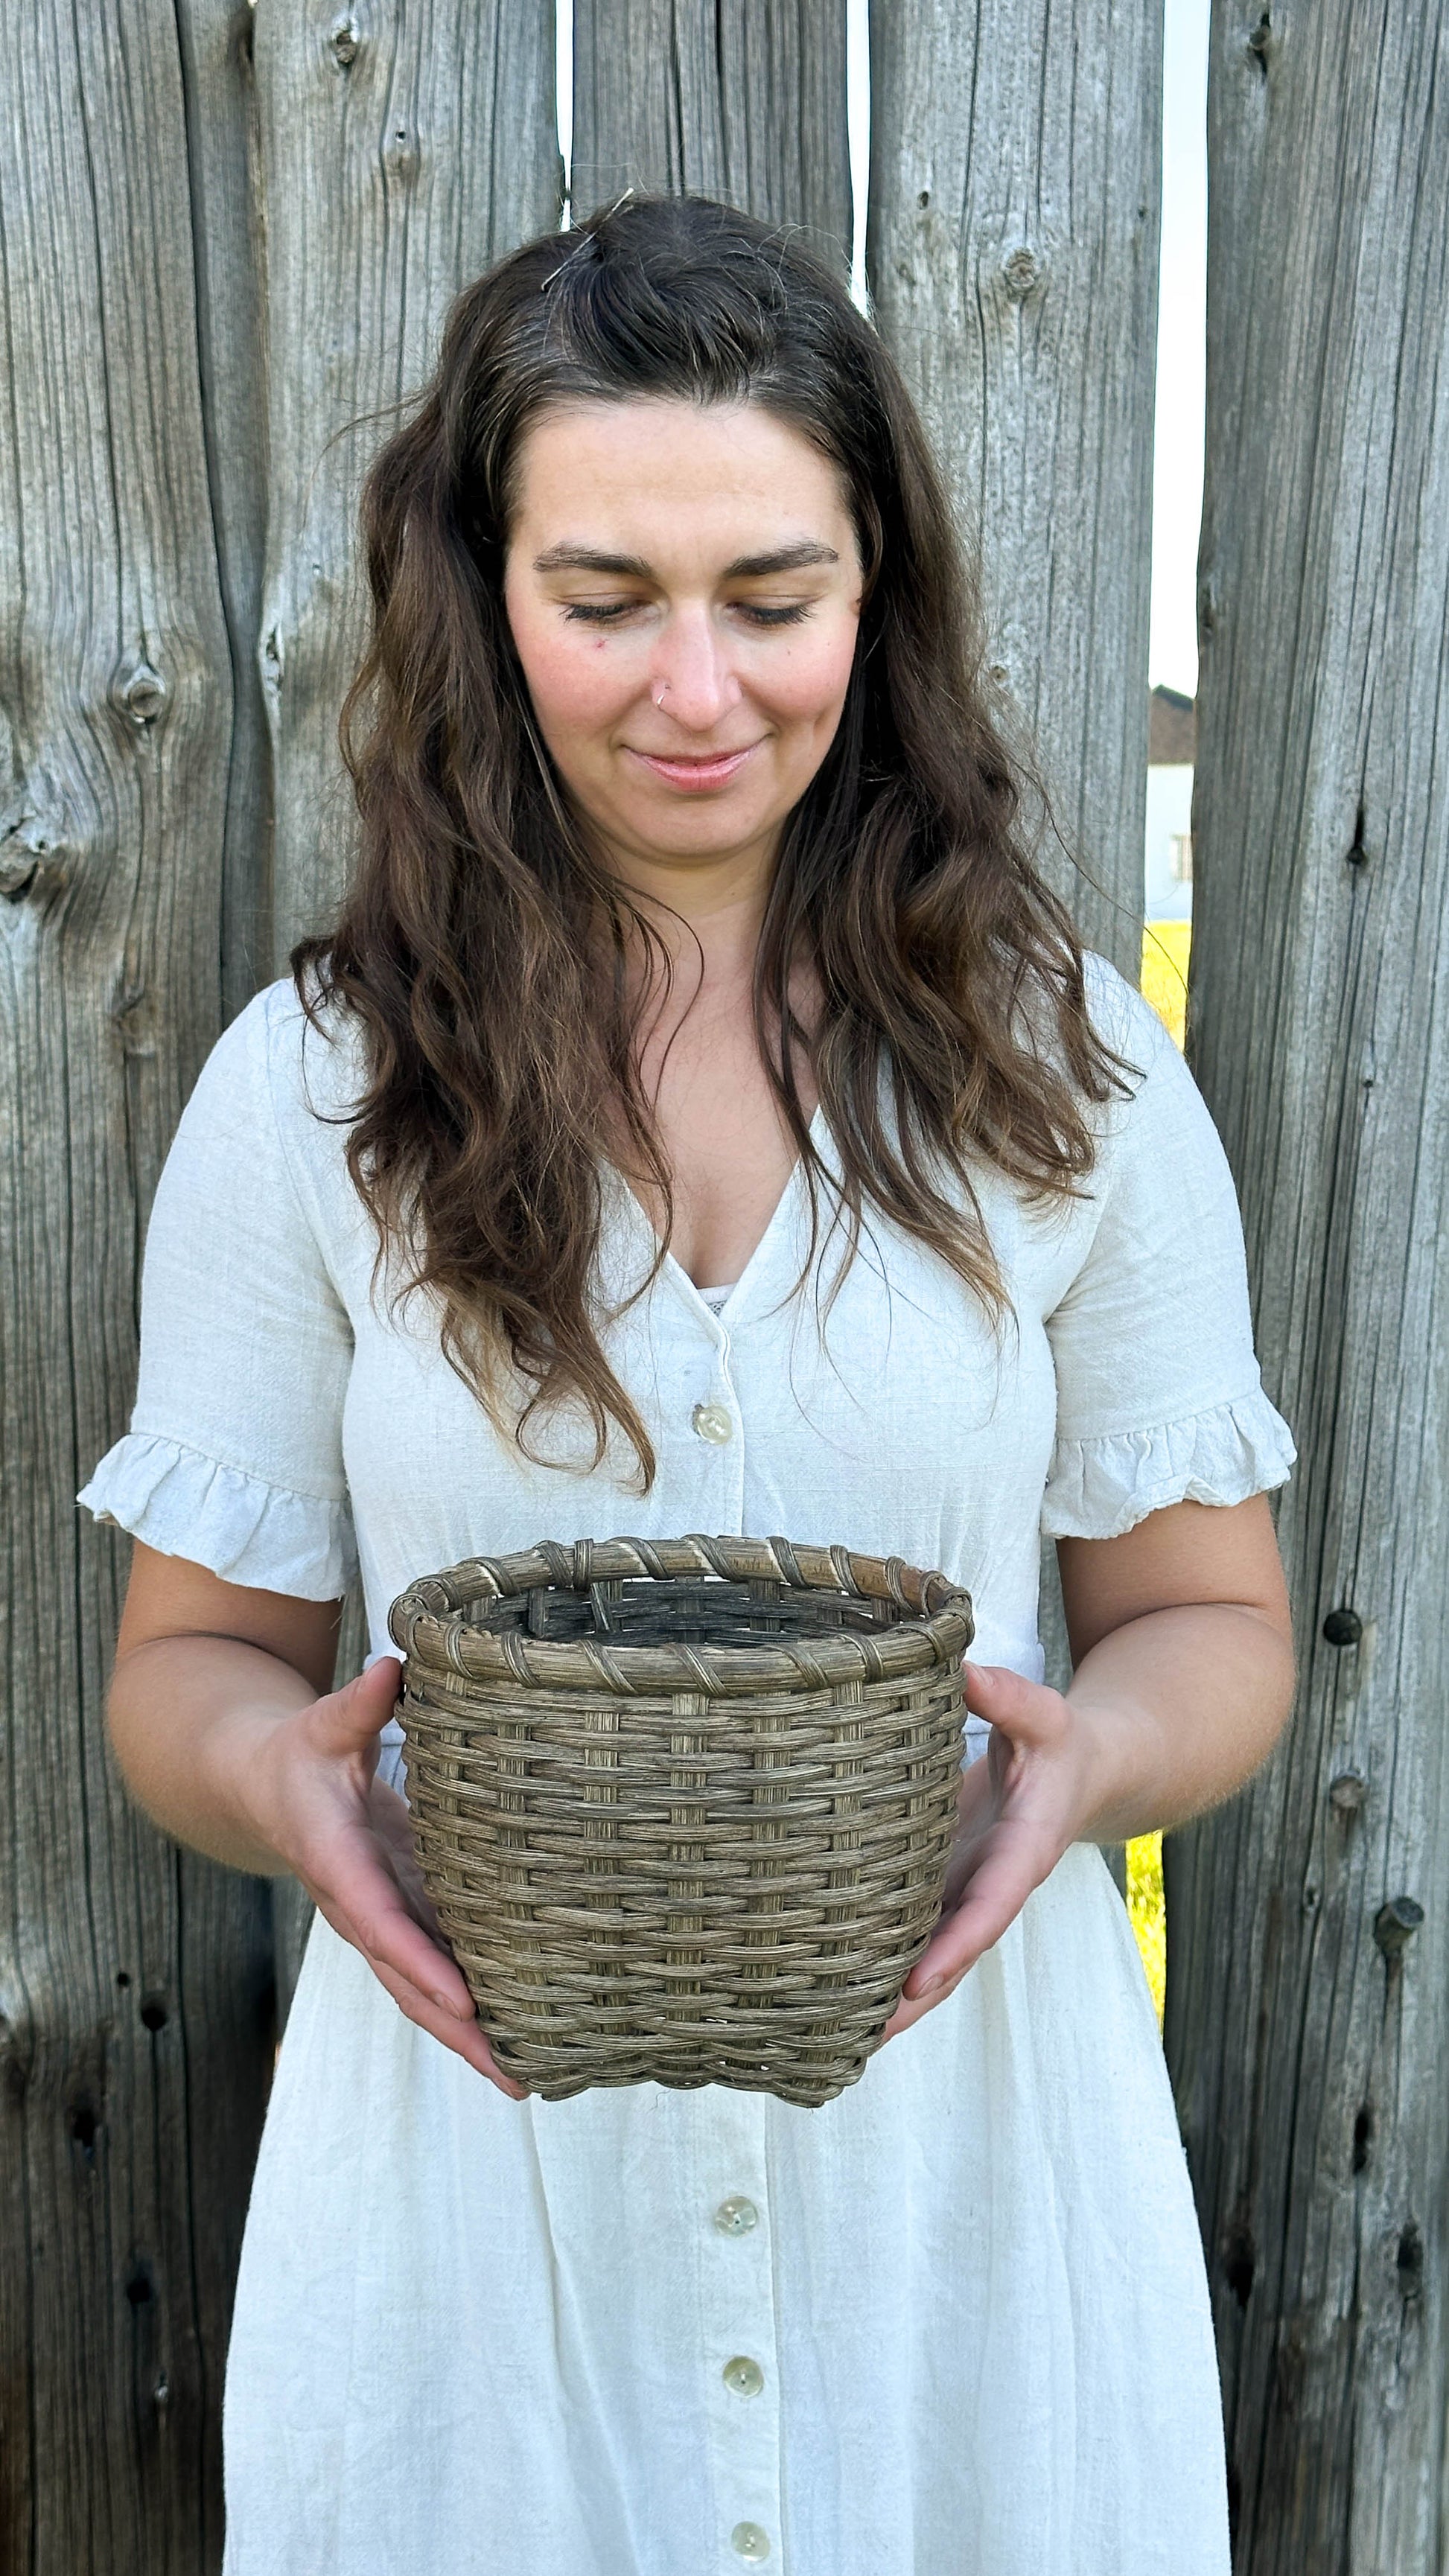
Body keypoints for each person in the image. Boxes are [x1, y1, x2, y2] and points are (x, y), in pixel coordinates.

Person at [81, 195, 1296, 2575]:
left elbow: (1207, 1621)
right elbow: (192, 1662)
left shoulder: (1062, 1071)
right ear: (483, 596)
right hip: (473, 2259)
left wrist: (1087, 1765)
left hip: (961, 2230)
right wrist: (274, 1783)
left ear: (874, 591)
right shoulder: (311, 1091)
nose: (697, 687)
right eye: (604, 596)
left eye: (770, 594)